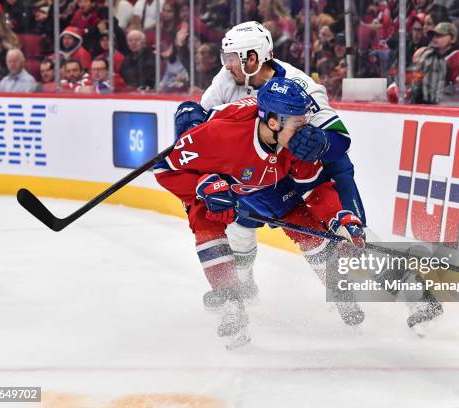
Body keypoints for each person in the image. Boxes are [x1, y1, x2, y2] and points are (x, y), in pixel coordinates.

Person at [154, 78, 368, 347]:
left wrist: (340, 218)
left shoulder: (296, 143)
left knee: (305, 225)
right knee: (206, 221)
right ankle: (230, 300)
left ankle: (338, 288)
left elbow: (315, 188)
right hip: (218, 179)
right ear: (274, 122)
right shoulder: (219, 135)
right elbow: (165, 168)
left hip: (262, 182)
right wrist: (201, 186)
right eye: (297, 122)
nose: (304, 129)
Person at [174, 21, 367, 314]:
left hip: (309, 168)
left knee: (348, 233)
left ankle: (400, 290)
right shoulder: (228, 81)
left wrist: (321, 143)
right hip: (259, 171)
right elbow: (202, 130)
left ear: (252, 58)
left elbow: (340, 140)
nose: (226, 66)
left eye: (231, 59)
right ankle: (244, 285)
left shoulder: (302, 86)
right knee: (240, 229)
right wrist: (191, 123)